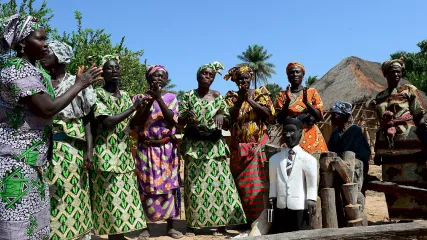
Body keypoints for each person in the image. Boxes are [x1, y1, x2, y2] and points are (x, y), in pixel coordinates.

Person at [0, 14, 101, 240]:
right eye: (41, 39)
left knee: (34, 225)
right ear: (23, 42)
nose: (46, 44)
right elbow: (46, 109)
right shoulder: (16, 69)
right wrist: (80, 84)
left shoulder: (34, 71)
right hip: (15, 162)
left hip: (31, 161)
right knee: (17, 227)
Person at [178, 62, 246, 236]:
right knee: (194, 186)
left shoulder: (217, 96)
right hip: (195, 146)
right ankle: (192, 225)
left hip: (215, 147)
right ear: (198, 75)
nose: (208, 77)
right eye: (205, 74)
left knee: (220, 186)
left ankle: (221, 225)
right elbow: (180, 122)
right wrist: (186, 115)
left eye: (211, 75)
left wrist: (222, 114)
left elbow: (227, 120)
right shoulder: (188, 96)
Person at [40, 40, 97, 240]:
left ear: (60, 57)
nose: (43, 54)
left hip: (71, 150)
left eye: (48, 51)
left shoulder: (78, 82)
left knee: (74, 195)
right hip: (44, 148)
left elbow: (88, 119)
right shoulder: (39, 82)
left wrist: (89, 151)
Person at [90, 56, 148, 240]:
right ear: (102, 73)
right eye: (109, 68)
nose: (114, 71)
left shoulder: (125, 95)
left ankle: (120, 237)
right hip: (105, 154)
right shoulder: (97, 94)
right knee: (110, 200)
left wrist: (142, 110)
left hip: (123, 155)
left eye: (116, 68)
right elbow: (107, 122)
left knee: (124, 200)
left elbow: (133, 124)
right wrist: (133, 108)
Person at [130, 65, 183, 239]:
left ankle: (171, 226)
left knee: (170, 187)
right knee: (145, 187)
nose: (158, 79)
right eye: (155, 76)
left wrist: (159, 98)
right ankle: (146, 226)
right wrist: (150, 100)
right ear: (148, 79)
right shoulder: (139, 98)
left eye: (162, 77)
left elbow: (171, 121)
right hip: (146, 148)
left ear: (166, 80)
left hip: (166, 149)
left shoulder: (171, 98)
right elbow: (136, 122)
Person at [374, 57, 427, 221]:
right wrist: (377, 151)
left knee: (415, 181)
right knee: (392, 183)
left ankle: (419, 222)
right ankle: (398, 221)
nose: (396, 74)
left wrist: (425, 141)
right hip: (389, 149)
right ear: (386, 74)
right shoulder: (381, 96)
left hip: (411, 143)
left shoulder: (409, 90)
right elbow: (380, 125)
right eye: (392, 71)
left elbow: (419, 116)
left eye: (398, 71)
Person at [224, 66, 275, 223]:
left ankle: (261, 221)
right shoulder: (231, 97)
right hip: (238, 150)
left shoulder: (261, 93)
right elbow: (228, 120)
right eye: (240, 79)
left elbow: (269, 115)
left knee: (258, 184)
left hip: (258, 147)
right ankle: (244, 220)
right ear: (235, 81)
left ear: (251, 78)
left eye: (246, 78)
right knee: (241, 186)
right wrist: (240, 100)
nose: (243, 81)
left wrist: (249, 100)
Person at [268, 117, 317, 234]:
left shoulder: (309, 160)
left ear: (300, 132)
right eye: (285, 132)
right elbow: (273, 182)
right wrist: (272, 197)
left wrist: (311, 198)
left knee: (300, 233)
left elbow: (311, 183)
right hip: (281, 205)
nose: (288, 135)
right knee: (281, 233)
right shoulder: (274, 159)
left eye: (292, 131)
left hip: (300, 205)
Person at [275, 62, 327, 154]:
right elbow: (279, 119)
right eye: (291, 72)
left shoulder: (312, 92)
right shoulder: (282, 95)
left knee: (313, 165)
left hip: (310, 135)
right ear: (288, 76)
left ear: (303, 75)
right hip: (289, 136)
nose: (295, 74)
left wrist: (307, 103)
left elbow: (319, 117)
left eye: (297, 72)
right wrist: (287, 101)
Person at [328, 102, 371, 176]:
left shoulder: (355, 131)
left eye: (334, 115)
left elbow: (364, 154)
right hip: (337, 167)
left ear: (344, 117)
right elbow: (330, 150)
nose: (331, 118)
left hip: (354, 169)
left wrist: (347, 162)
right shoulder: (335, 133)